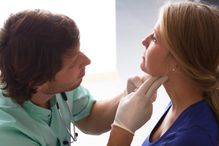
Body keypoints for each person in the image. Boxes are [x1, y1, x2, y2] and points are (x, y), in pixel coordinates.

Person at [0, 9, 168, 146]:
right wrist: (123, 129)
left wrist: (126, 96)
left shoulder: (53, 84)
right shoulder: (9, 135)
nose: (87, 61)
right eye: (73, 63)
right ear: (38, 82)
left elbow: (90, 118)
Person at [107, 0, 219, 146]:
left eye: (154, 38)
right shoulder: (179, 104)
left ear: (177, 61)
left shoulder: (192, 139)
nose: (144, 41)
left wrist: (122, 129)